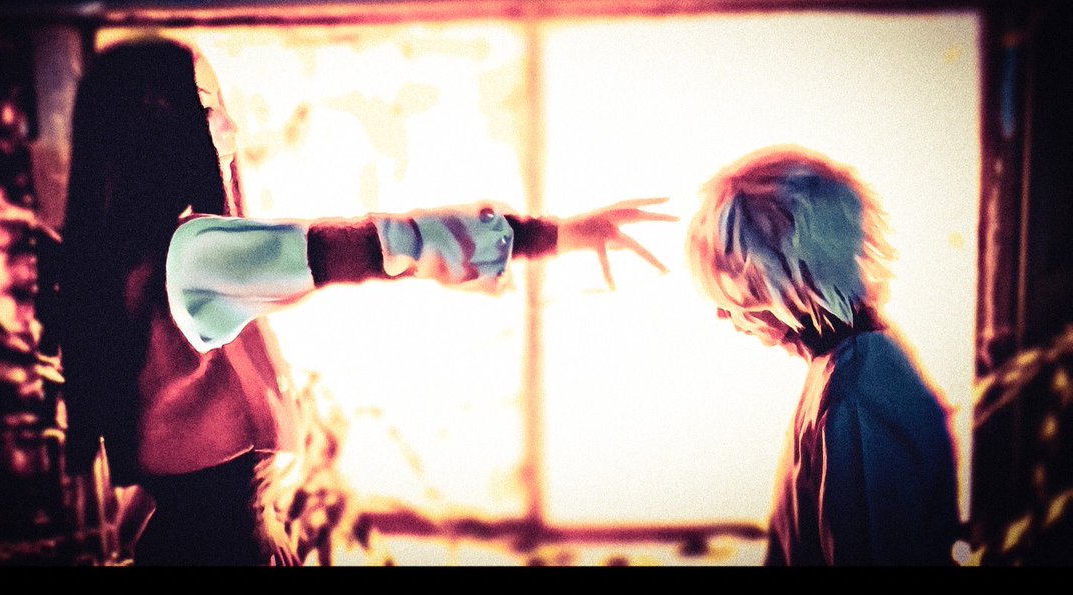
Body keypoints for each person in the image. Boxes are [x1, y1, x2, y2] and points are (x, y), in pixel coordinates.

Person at [59, 36, 676, 566]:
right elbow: (377, 246)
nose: (232, 128)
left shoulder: (151, 260)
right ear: (160, 127)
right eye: (210, 107)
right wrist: (550, 236)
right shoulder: (194, 255)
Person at [683, 145, 960, 566]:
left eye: (732, 283)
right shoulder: (850, 373)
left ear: (779, 270)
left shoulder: (856, 398)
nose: (723, 313)